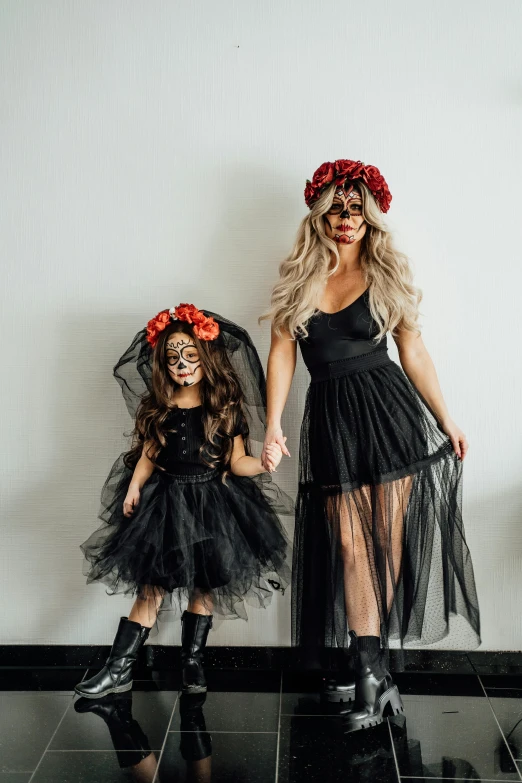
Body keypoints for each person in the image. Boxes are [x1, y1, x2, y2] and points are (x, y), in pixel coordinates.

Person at [260, 159, 481, 732]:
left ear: (371, 216)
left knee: (383, 546)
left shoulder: (385, 274)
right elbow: (282, 351)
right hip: (332, 422)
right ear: (319, 214)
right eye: (335, 208)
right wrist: (274, 424)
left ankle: (371, 672)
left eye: (356, 209)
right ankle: (373, 672)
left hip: (390, 419)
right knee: (351, 550)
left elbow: (415, 354)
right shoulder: (300, 277)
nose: (346, 219)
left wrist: (447, 418)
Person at [75, 303, 291, 700]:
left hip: (214, 503)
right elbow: (149, 454)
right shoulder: (160, 407)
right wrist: (135, 486)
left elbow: (236, 461)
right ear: (163, 362)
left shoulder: (224, 408)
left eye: (190, 355)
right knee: (151, 586)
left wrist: (263, 464)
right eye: (173, 356)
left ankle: (192, 660)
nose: (181, 364)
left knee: (204, 584)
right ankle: (118, 667)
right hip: (167, 504)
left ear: (206, 358)